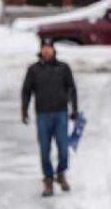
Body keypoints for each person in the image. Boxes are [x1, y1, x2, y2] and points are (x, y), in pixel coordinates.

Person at [21, 39, 78, 197]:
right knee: (45, 150)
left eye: (49, 48)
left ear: (53, 50)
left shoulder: (63, 68)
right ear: (41, 51)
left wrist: (74, 109)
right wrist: (24, 110)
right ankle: (48, 179)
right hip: (42, 115)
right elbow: (26, 91)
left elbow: (72, 89)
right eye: (44, 48)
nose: (47, 51)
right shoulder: (33, 70)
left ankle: (61, 173)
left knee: (63, 148)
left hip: (61, 114)